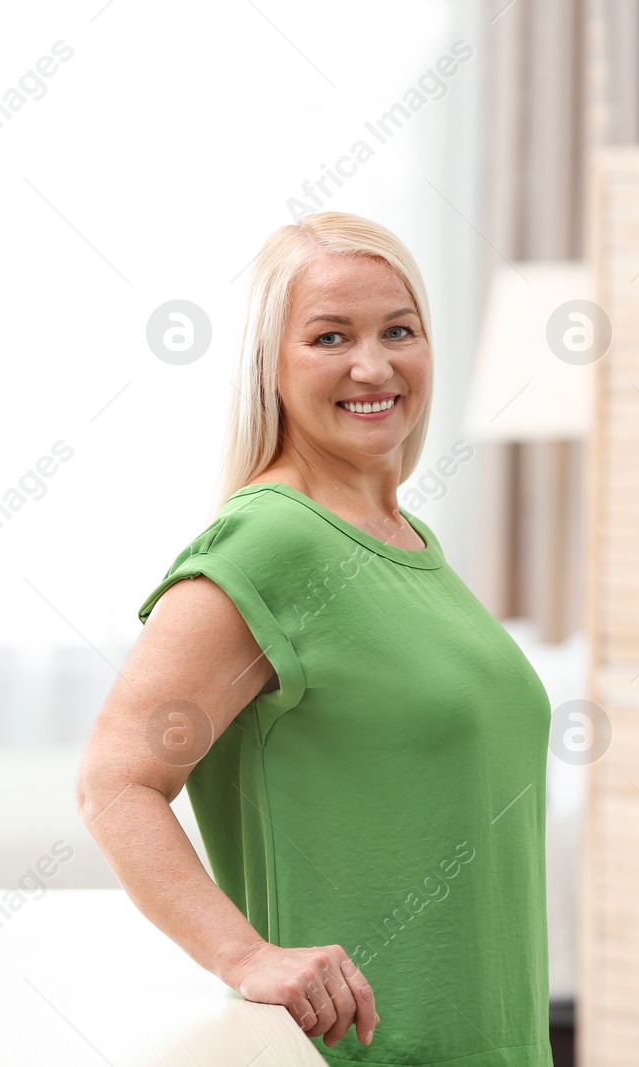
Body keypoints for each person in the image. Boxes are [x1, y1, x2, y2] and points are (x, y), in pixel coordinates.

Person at [75, 211, 554, 1065]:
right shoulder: (270, 543)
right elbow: (115, 781)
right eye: (330, 336)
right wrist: (247, 956)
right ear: (270, 365)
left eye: (398, 330)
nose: (373, 365)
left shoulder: (411, 544)